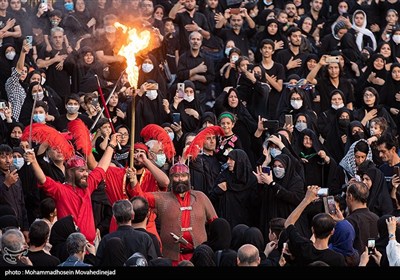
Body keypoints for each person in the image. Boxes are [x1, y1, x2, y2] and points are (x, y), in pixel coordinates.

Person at [25, 133, 119, 244]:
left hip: (88, 247)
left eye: (85, 170)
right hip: (68, 247)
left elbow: (102, 167)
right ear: (70, 173)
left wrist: (112, 145)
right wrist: (34, 161)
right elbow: (43, 180)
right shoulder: (60, 190)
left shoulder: (88, 186)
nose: (86, 174)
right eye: (81, 171)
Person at [126, 161, 218, 265]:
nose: (180, 179)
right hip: (172, 257)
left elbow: (216, 224)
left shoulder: (201, 197)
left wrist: (210, 247)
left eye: (183, 176)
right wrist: (134, 181)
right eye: (176, 176)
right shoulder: (161, 198)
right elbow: (140, 199)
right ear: (171, 178)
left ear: (189, 177)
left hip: (198, 257)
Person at [283, 185, 346, 266]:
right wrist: (342, 221)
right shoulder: (337, 259)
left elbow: (288, 223)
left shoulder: (303, 247)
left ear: (312, 229)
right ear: (332, 231)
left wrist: (306, 200)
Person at [96, 199, 158, 265]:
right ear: (133, 216)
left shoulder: (106, 239)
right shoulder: (144, 238)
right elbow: (153, 262)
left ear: (114, 218)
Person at [345, 181, 379, 255]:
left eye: (346, 196)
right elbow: (371, 246)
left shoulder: (350, 221)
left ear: (350, 197)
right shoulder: (375, 218)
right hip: (373, 260)